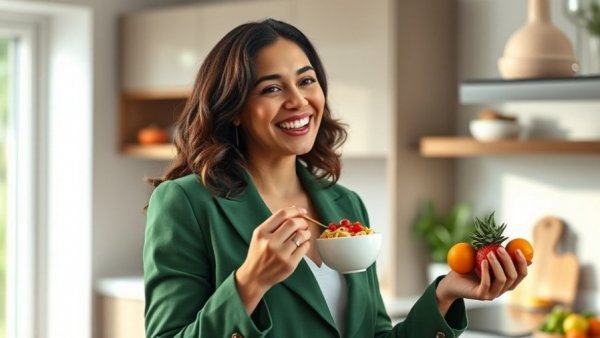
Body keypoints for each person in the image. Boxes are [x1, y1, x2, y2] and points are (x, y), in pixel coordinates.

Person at [143, 18, 529, 338]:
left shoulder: (346, 206)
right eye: (272, 88)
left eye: (306, 80)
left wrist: (444, 296)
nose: (298, 100)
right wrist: (248, 284)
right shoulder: (186, 203)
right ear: (234, 110)